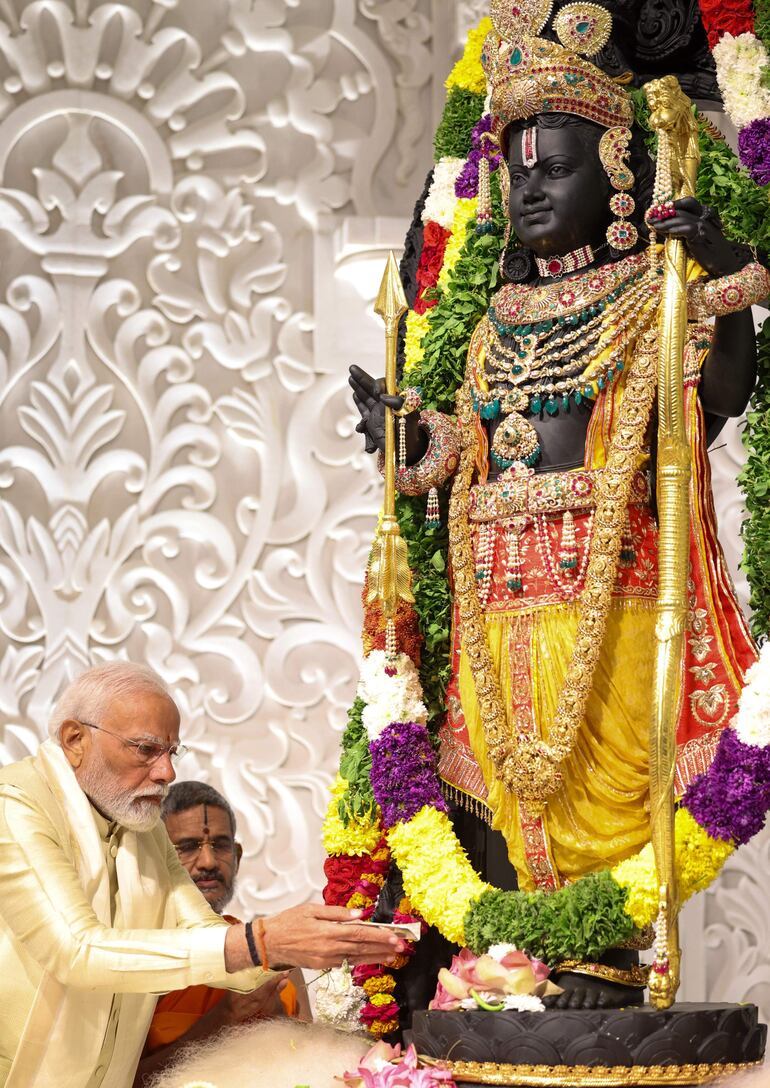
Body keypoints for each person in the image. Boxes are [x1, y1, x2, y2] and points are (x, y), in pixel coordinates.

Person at [349, 1, 768, 1009]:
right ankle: (524, 962)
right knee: (504, 779)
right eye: (516, 167)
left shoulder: (650, 292)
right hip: (497, 605)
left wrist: (720, 281)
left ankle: (606, 959)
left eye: (555, 165)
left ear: (616, 175)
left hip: (613, 603)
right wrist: (411, 441)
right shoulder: (488, 317)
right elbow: (464, 451)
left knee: (608, 782)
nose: (529, 183)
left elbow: (715, 393)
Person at [0, 662, 404, 1087]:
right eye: (145, 749)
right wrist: (261, 941)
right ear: (74, 739)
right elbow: (76, 950)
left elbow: (206, 931)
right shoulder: (17, 805)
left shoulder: (143, 827)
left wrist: (298, 946)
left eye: (171, 752)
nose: (166, 773)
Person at [134, 781, 309, 1086]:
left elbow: (311, 1066)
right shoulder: (138, 959)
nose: (209, 862)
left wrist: (275, 1018)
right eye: (187, 847)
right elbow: (119, 1080)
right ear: (158, 859)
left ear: (237, 856)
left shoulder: (274, 956)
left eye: (220, 845)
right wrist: (225, 1018)